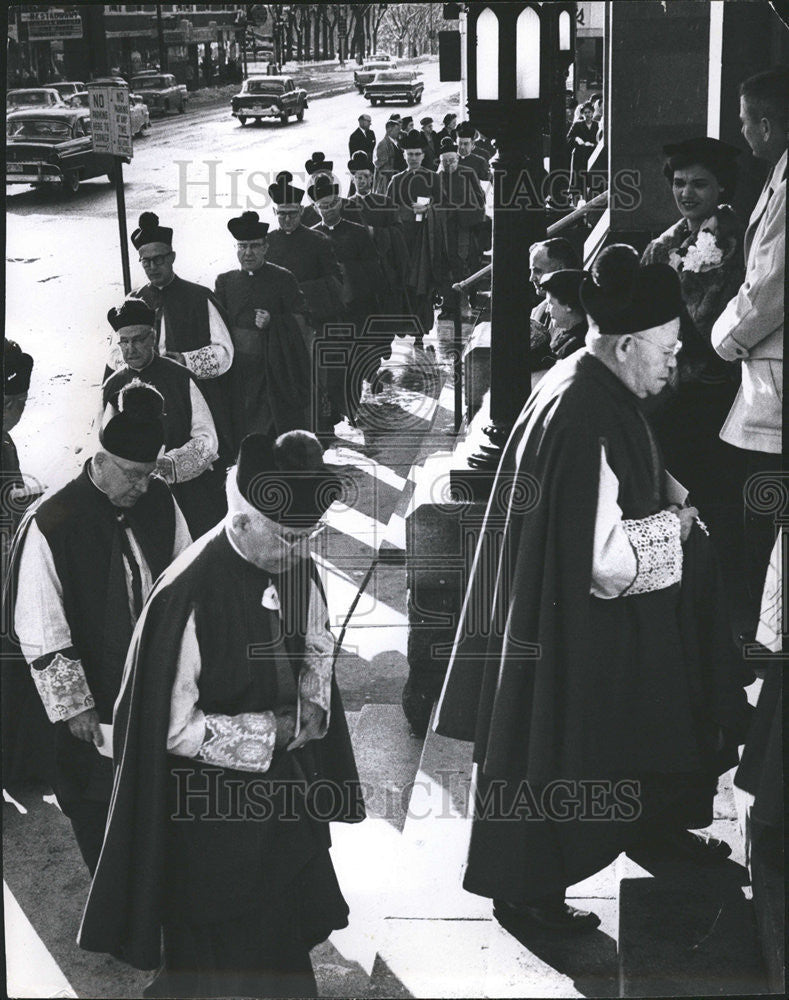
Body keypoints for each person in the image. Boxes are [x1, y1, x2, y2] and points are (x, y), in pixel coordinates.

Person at [435, 245, 752, 934]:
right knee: (553, 752)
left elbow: (625, 478)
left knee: (654, 714)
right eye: (666, 349)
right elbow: (603, 561)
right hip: (571, 636)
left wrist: (671, 501)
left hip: (578, 621)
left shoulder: (591, 383)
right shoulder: (584, 410)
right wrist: (676, 528)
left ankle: (654, 826)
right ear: (629, 344)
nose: (674, 361)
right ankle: (524, 891)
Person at [79, 430, 365, 998]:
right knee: (220, 967)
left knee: (280, 950)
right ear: (242, 521)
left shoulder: (291, 560)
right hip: (207, 828)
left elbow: (315, 640)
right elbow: (169, 727)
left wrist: (312, 700)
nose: (302, 552)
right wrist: (272, 733)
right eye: (290, 538)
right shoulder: (186, 595)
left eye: (310, 537)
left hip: (277, 812)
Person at [11, 383, 190, 875]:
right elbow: (41, 624)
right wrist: (76, 706)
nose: (141, 486)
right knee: (95, 798)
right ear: (102, 461)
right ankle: (114, 902)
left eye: (149, 474)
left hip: (154, 680)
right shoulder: (52, 521)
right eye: (132, 475)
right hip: (91, 699)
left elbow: (183, 577)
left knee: (158, 789)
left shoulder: (159, 500)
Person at [641, 137, 744, 555]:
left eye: (699, 184)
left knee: (704, 487)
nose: (686, 193)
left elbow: (714, 323)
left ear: (721, 189)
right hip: (669, 384)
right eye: (679, 182)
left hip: (713, 385)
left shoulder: (731, 240)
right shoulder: (668, 242)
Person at [711, 68, 786, 639]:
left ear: (765, 123)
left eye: (744, 121)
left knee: (762, 518)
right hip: (765, 381)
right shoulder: (775, 176)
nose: (742, 132)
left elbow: (769, 288)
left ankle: (756, 640)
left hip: (773, 381)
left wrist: (723, 339)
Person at [102, 299, 226, 538]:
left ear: (153, 337)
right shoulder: (112, 386)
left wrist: (170, 464)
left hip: (184, 495)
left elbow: (206, 437)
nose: (130, 349)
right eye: (124, 342)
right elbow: (102, 442)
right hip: (132, 497)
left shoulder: (181, 378)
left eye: (138, 340)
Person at [122, 212, 234, 463]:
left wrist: (185, 361)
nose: (152, 267)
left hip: (188, 394)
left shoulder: (198, 298)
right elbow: (115, 354)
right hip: (144, 397)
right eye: (146, 261)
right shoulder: (134, 302)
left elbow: (224, 353)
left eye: (158, 259)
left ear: (172, 257)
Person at [214, 212, 313, 446]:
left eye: (255, 246)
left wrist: (275, 322)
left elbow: (303, 320)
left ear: (265, 247)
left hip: (274, 371)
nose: (248, 253)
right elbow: (216, 326)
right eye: (242, 246)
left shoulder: (283, 278)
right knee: (243, 433)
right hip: (238, 374)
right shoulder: (225, 282)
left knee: (276, 432)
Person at [265, 170, 346, 432]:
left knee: (317, 380)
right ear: (275, 213)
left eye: (292, 213)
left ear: (301, 211)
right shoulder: (266, 244)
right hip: (277, 327)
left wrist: (297, 291)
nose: (287, 219)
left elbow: (335, 284)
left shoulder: (319, 241)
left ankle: (321, 427)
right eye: (281, 214)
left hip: (313, 324)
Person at [310, 174, 386, 419]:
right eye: (323, 206)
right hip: (328, 313)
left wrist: (349, 273)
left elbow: (374, 268)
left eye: (333, 204)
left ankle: (352, 406)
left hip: (357, 307)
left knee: (355, 357)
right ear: (314, 207)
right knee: (333, 363)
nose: (329, 210)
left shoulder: (357, 232)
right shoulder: (312, 236)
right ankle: (334, 408)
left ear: (340, 203)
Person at [387, 131, 449, 346]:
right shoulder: (396, 180)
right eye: (409, 154)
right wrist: (405, 213)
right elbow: (388, 211)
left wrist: (429, 208)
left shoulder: (433, 178)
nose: (413, 158)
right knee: (404, 286)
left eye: (416, 154)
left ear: (423, 156)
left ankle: (420, 331)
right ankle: (405, 326)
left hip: (426, 241)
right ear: (403, 156)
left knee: (423, 287)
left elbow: (445, 207)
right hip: (403, 242)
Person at [344, 151, 412, 318]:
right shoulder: (345, 206)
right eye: (358, 177)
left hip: (383, 267)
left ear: (372, 178)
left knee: (384, 312)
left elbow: (397, 231)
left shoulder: (385, 202)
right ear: (353, 179)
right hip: (357, 271)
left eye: (365, 177)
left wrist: (377, 232)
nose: (361, 181)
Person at [436, 136, 486, 317]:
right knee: (446, 266)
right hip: (445, 229)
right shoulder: (437, 177)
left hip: (466, 227)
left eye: (452, 160)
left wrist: (467, 214)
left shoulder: (468, 172)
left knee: (468, 264)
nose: (449, 164)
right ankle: (448, 306)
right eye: (445, 161)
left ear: (457, 159)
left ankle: (471, 302)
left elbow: (480, 199)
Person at [528, 238, 582, 361]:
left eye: (537, 271)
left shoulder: (581, 313)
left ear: (561, 269)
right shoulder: (538, 311)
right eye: (531, 271)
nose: (531, 278)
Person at [533, 269, 588, 369]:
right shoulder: (564, 335)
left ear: (568, 305)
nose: (547, 310)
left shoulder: (575, 347)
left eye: (551, 304)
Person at [567, 103, 597, 193]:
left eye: (589, 112)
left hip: (592, 154)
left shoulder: (597, 125)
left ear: (593, 113)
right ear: (582, 114)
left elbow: (601, 140)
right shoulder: (577, 125)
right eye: (585, 113)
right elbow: (568, 138)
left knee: (590, 179)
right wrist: (576, 138)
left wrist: (593, 144)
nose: (587, 115)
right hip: (580, 155)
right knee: (578, 179)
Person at [301, 152, 337, 227]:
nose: (321, 180)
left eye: (325, 176)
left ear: (332, 179)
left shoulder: (346, 206)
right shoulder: (305, 215)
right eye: (316, 177)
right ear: (311, 182)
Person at [374, 117, 406, 195]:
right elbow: (381, 166)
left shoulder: (396, 142)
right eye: (397, 130)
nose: (399, 132)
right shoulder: (383, 144)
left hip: (398, 178)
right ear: (389, 130)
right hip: (389, 181)